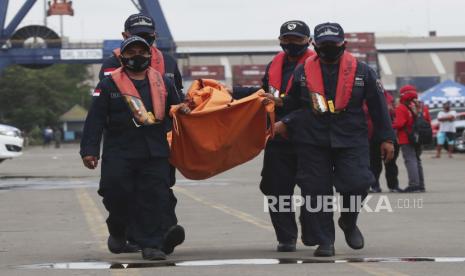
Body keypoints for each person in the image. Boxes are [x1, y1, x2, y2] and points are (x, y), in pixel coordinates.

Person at [274, 22, 395, 257]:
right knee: (315, 191)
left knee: (358, 182)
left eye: (333, 45)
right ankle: (325, 240)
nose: (328, 48)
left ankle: (348, 221)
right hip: (312, 139)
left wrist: (387, 138)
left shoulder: (362, 71)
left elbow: (379, 107)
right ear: (315, 45)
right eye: (324, 45)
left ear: (343, 45)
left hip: (351, 139)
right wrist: (283, 119)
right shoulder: (303, 72)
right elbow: (293, 105)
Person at [80, 37, 188, 260]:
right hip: (119, 152)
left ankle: (151, 245)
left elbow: (175, 112)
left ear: (150, 55)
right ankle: (117, 228)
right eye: (132, 52)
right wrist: (89, 150)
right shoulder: (108, 84)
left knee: (153, 197)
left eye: (142, 51)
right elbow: (95, 119)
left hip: (154, 152)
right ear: (123, 56)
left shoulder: (163, 83)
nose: (137, 56)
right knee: (115, 194)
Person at [99, 13, 184, 249]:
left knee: (158, 190)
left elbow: (177, 101)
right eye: (136, 38)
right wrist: (90, 149)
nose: (141, 47)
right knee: (119, 192)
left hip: (158, 142)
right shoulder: (110, 66)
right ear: (124, 37)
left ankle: (160, 238)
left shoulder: (168, 63)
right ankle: (120, 230)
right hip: (122, 143)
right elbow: (100, 110)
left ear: (155, 37)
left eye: (147, 38)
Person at [231, 20, 316, 252]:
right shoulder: (274, 65)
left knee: (313, 188)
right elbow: (263, 95)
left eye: (297, 39)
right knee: (275, 188)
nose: (291, 44)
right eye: (286, 40)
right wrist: (231, 93)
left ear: (308, 41)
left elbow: (312, 106)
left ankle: (311, 228)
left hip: (309, 138)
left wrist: (286, 122)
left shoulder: (317, 66)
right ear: (280, 41)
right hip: (278, 139)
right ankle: (286, 237)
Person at [392, 85, 429, 193]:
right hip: (418, 137)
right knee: (417, 160)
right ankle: (421, 185)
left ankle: (414, 185)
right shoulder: (420, 107)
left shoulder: (401, 108)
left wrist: (391, 125)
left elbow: (400, 124)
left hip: (406, 138)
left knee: (410, 160)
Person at [368, 91, 401, 193]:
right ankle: (375, 185)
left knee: (390, 162)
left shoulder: (388, 97)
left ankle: (393, 185)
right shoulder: (370, 96)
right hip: (374, 135)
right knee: (375, 163)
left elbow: (395, 114)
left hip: (388, 135)